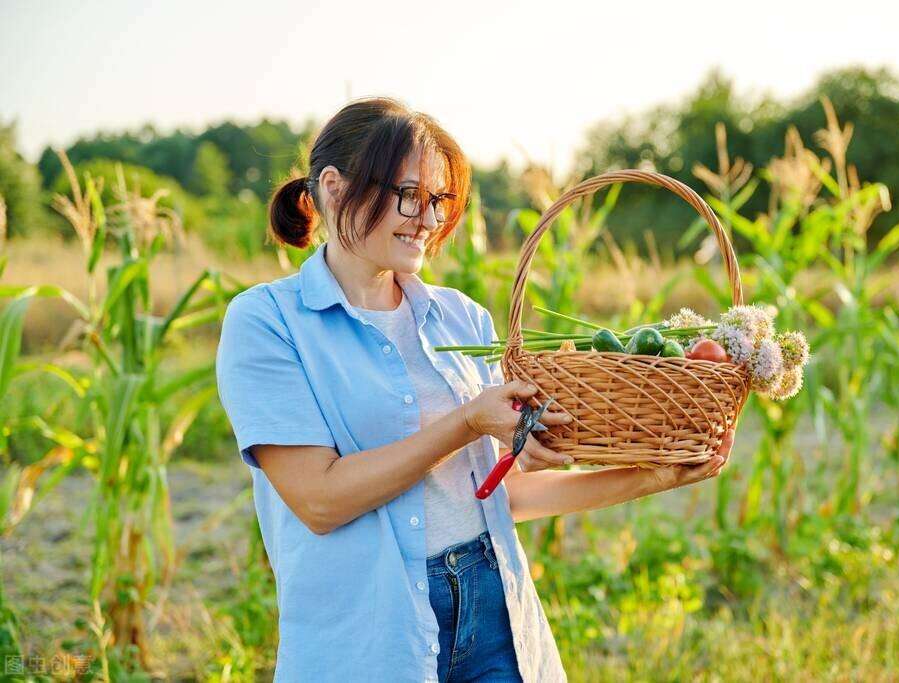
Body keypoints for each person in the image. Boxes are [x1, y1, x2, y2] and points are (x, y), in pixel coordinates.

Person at [214, 96, 734, 683]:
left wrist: (654, 476)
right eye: (410, 195)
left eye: (439, 201)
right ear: (334, 189)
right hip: (370, 639)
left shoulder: (461, 320)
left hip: (494, 615)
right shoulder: (267, 322)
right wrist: (465, 423)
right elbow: (319, 501)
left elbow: (504, 495)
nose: (429, 220)